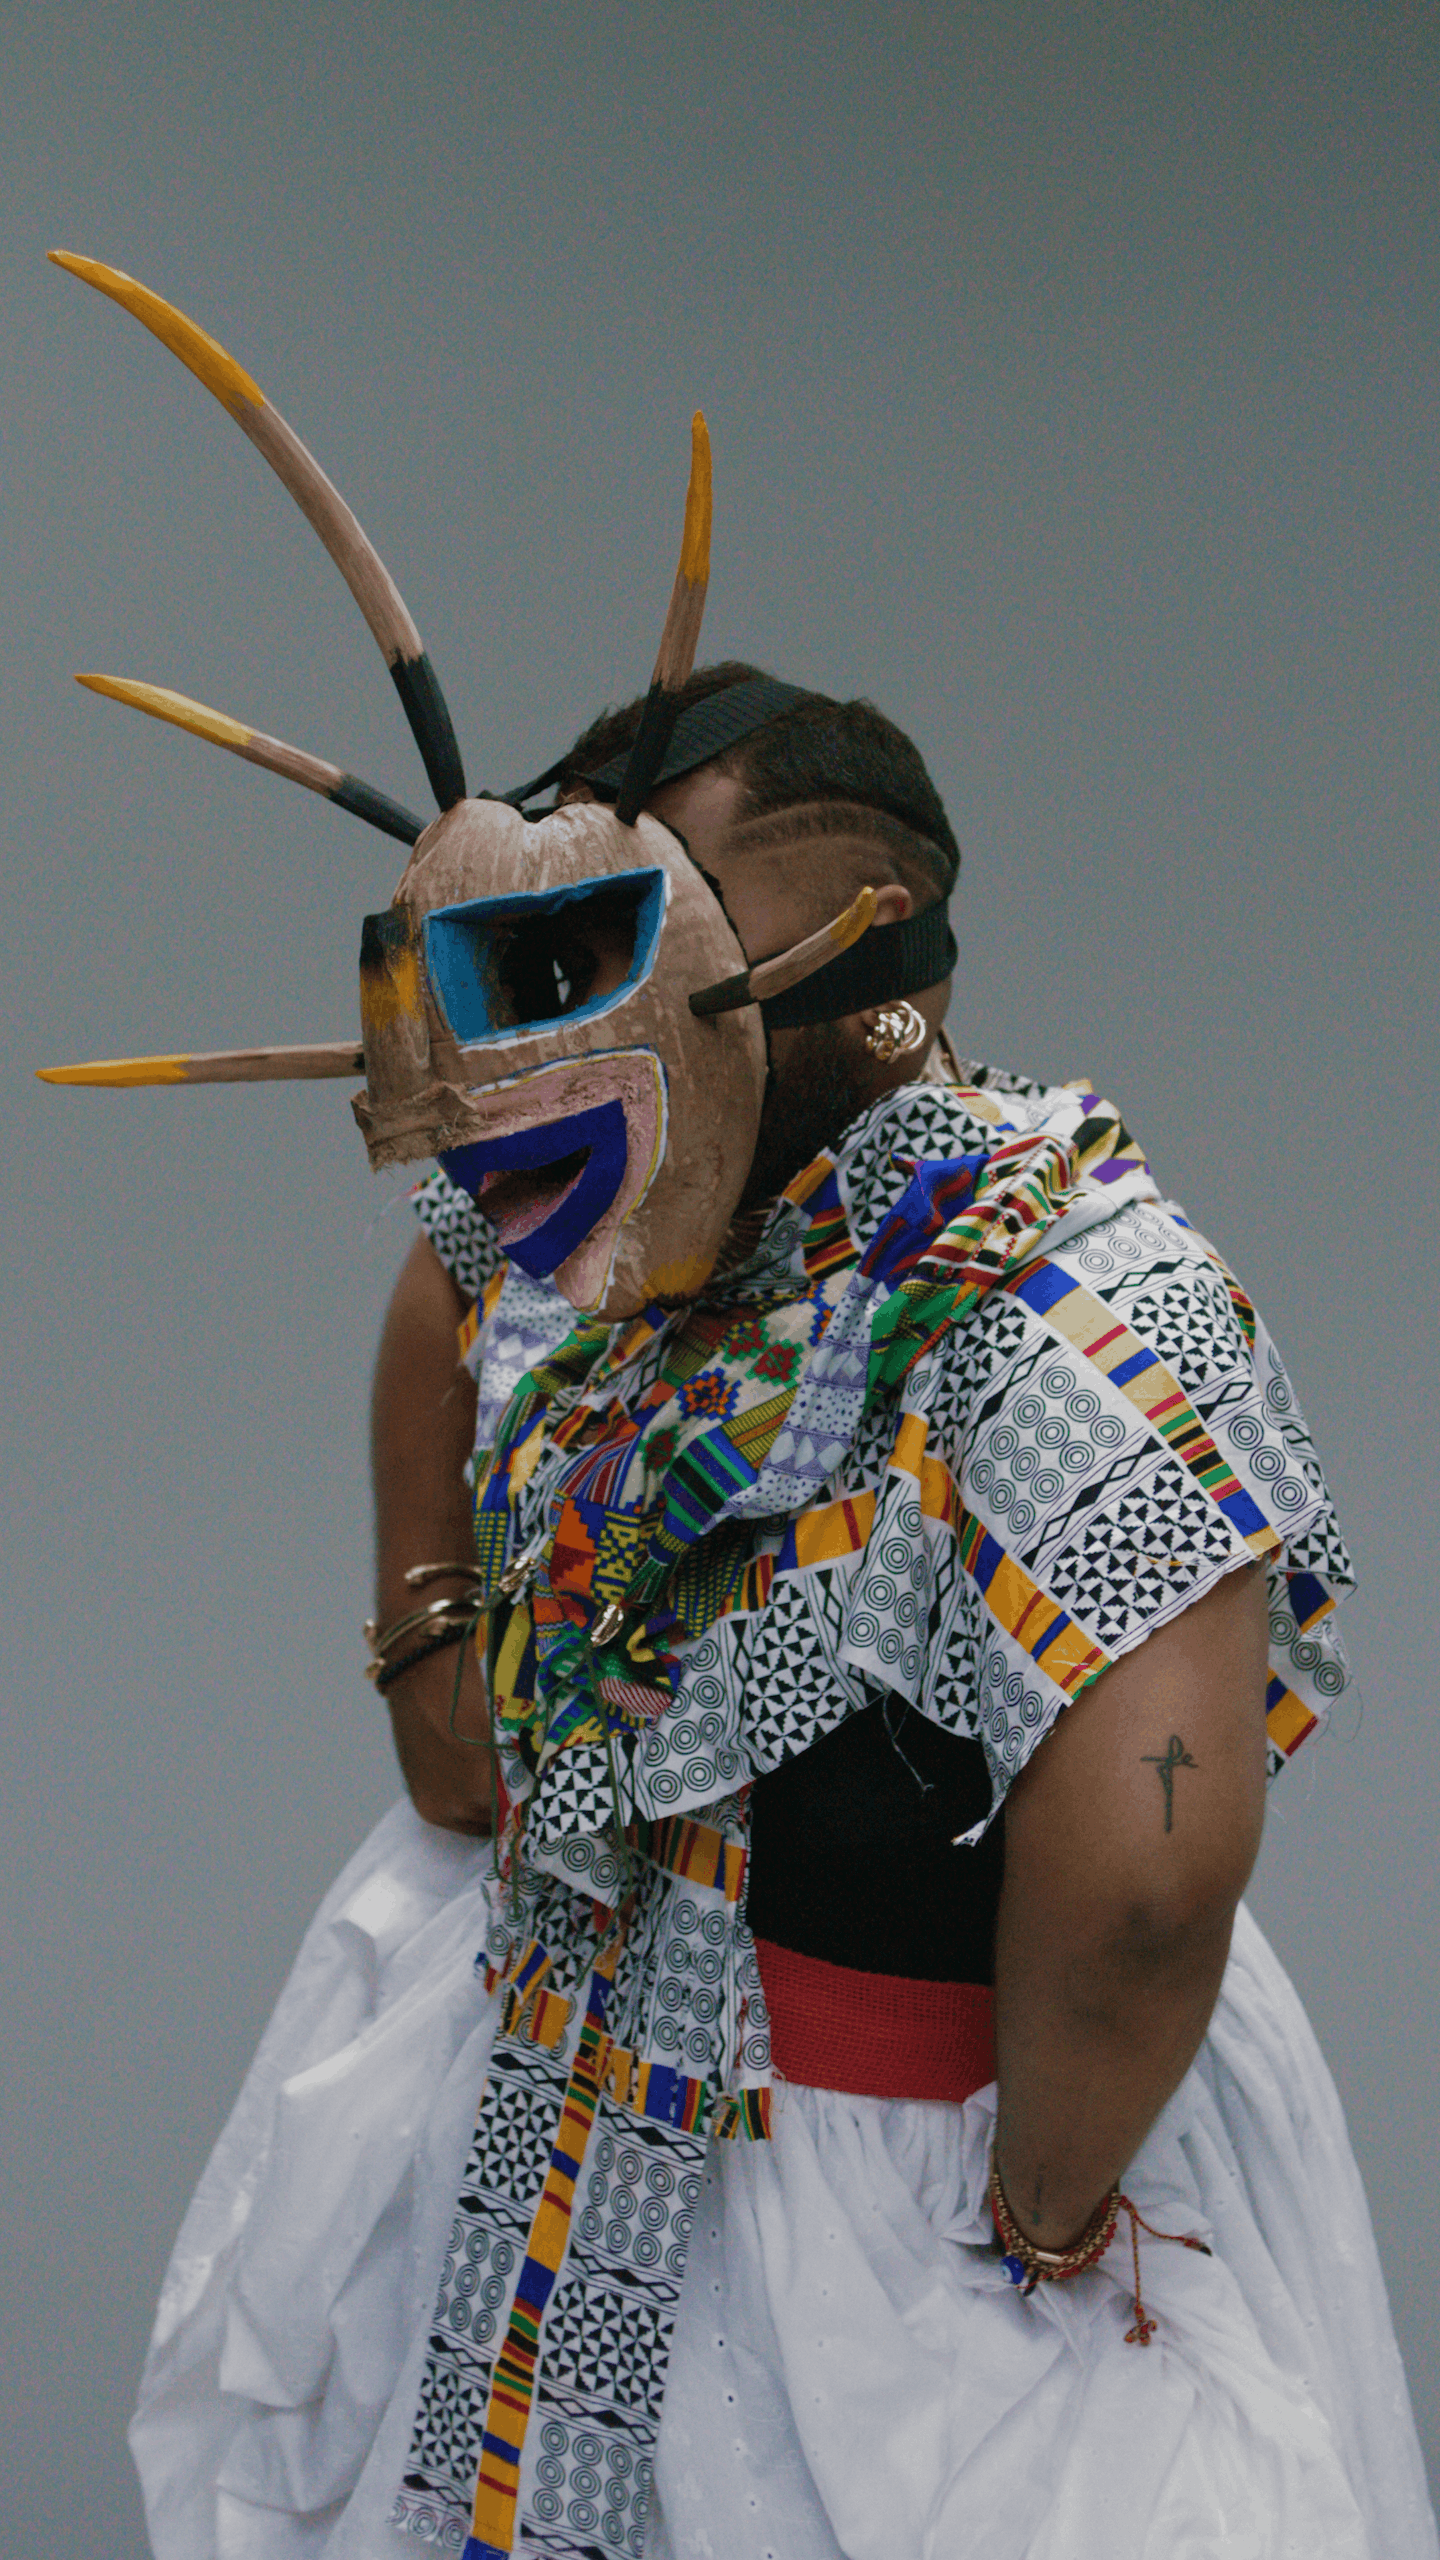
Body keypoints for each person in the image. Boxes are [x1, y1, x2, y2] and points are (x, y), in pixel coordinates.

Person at [39, 258, 1433, 2559]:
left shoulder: (1076, 1302)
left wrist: (1052, 2220)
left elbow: (1152, 1882)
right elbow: (447, 1282)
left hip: (891, 2217)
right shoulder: (615, 1201)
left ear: (853, 933)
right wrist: (424, 1633)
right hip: (543, 2116)